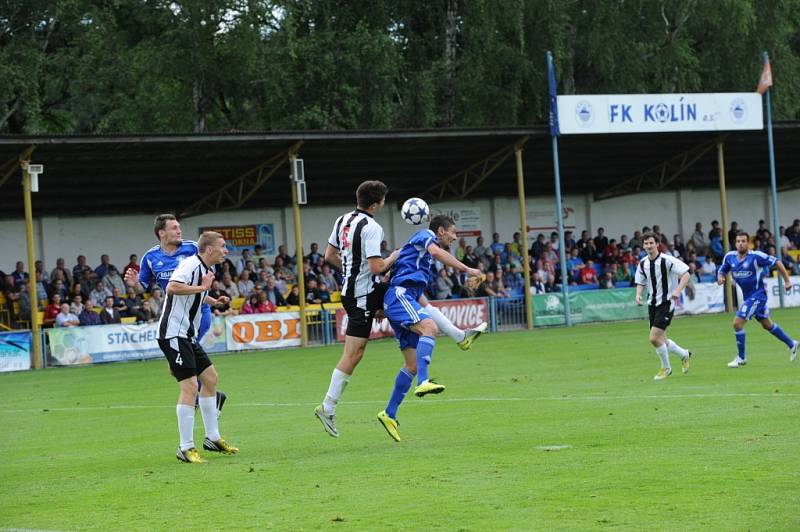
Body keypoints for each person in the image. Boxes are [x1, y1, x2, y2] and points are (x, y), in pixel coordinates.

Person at [314, 182, 486, 439]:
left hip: (361, 290)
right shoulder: (372, 227)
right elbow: (376, 267)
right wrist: (392, 257)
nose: (383, 205)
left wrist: (351, 271)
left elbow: (329, 255)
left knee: (414, 304)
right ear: (375, 204)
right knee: (354, 354)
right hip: (363, 295)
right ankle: (327, 407)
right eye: (383, 201)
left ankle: (458, 337)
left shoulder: (342, 221)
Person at [377, 214, 483, 442]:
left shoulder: (419, 262)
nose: (455, 237)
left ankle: (389, 414)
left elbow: (426, 303)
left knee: (411, 364)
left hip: (404, 298)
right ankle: (424, 382)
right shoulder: (426, 236)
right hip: (399, 297)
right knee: (430, 328)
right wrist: (468, 269)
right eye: (453, 232)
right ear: (441, 231)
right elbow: (436, 252)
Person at [124, 214, 228, 416]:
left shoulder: (191, 248)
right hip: (176, 315)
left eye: (179, 227)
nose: (179, 231)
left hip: (197, 314)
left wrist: (211, 301)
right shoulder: (150, 258)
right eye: (174, 228)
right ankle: (209, 397)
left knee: (183, 366)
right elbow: (141, 289)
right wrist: (133, 284)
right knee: (176, 368)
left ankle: (205, 398)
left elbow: (200, 282)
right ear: (161, 233)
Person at [157, 231, 238, 464]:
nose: (226, 250)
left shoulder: (204, 270)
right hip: (173, 333)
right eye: (223, 246)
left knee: (210, 379)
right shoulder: (191, 264)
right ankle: (185, 447)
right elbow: (172, 287)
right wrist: (203, 289)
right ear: (209, 249)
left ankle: (212, 438)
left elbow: (192, 295)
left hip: (187, 335)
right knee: (190, 387)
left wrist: (212, 300)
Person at [717, 231, 798, 368]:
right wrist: (720, 277)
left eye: (743, 241)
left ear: (748, 243)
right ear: (735, 243)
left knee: (737, 323)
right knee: (767, 325)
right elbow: (722, 269)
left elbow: (777, 261)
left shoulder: (756, 256)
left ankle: (741, 358)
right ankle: (792, 344)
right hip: (748, 297)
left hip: (758, 296)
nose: (740, 244)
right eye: (738, 241)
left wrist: (787, 281)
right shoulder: (730, 257)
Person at [634, 233, 693, 380]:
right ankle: (684, 354)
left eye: (651, 243)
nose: (649, 246)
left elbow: (686, 275)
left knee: (654, 338)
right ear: (643, 246)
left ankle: (666, 368)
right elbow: (641, 281)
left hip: (666, 303)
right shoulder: (643, 263)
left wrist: (677, 291)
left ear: (657, 244)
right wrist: (638, 294)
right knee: (662, 340)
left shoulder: (668, 260)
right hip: (652, 304)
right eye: (646, 244)